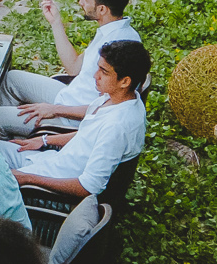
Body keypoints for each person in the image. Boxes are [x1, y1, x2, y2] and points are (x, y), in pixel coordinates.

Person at [0, 0, 139, 136]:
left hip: (71, 120)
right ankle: (10, 132)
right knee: (11, 79)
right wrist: (56, 23)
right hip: (69, 96)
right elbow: (74, 68)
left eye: (85, 0)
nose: (80, 2)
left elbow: (105, 110)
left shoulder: (120, 48)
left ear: (102, 9)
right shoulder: (112, 30)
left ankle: (7, 145)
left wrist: (55, 110)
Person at [11, 39, 149, 202]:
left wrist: (28, 178)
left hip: (49, 189)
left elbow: (88, 187)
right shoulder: (119, 98)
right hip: (51, 161)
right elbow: (87, 135)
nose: (95, 75)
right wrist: (44, 140)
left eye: (104, 72)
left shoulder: (117, 127)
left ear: (125, 81)